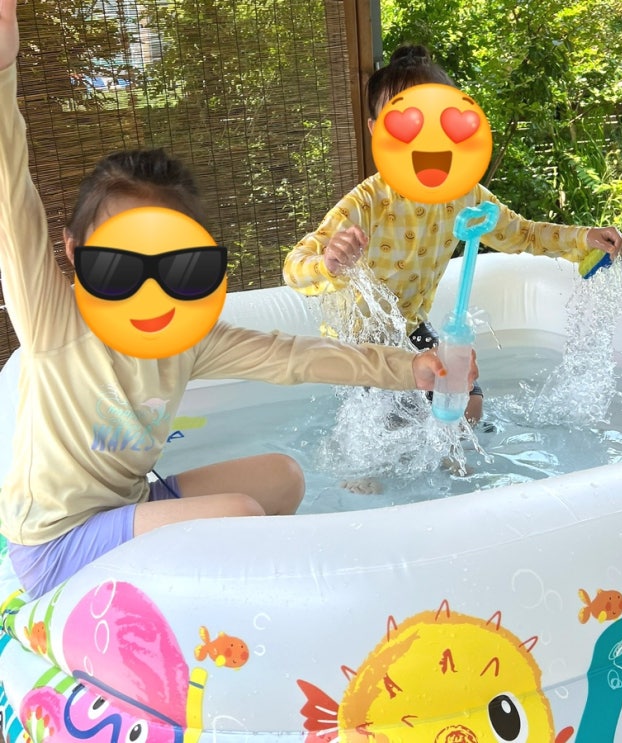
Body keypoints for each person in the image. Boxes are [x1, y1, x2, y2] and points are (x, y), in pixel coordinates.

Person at [0, 3, 476, 601]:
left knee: (282, 479)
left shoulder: (185, 336)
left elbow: (297, 358)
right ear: (73, 251)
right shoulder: (54, 322)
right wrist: (3, 71)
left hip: (128, 507)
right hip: (57, 544)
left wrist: (411, 369)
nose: (148, 284)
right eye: (119, 261)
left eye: (175, 262)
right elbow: (11, 201)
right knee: (241, 514)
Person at [283, 44, 622, 424]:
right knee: (385, 421)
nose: (425, 134)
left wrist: (582, 239)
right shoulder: (368, 202)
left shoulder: (464, 195)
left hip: (411, 326)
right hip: (358, 342)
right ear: (376, 131)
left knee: (467, 406)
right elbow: (294, 267)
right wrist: (329, 262)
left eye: (437, 118)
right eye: (407, 123)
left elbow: (523, 234)